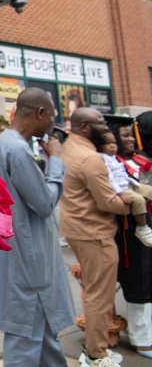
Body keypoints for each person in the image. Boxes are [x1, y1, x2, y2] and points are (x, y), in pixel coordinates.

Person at [0, 87, 74, 366]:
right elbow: (46, 203)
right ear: (39, 113)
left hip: (21, 252)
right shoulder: (16, 149)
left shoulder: (2, 144)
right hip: (30, 259)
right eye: (52, 116)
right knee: (27, 337)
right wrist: (56, 160)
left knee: (43, 334)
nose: (53, 123)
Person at [60, 108, 130, 367]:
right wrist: (135, 203)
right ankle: (96, 354)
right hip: (95, 233)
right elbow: (109, 202)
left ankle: (95, 350)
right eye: (101, 122)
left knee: (93, 292)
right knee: (100, 296)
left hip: (79, 229)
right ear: (86, 127)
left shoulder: (70, 147)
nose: (106, 126)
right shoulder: (90, 158)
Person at [109, 114, 152, 359]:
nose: (130, 140)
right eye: (124, 135)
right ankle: (142, 338)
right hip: (129, 233)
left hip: (147, 223)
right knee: (139, 281)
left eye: (130, 134)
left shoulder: (140, 160)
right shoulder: (111, 164)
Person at [99, 131, 152, 246]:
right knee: (139, 200)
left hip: (129, 185)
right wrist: (120, 193)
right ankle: (142, 228)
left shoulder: (117, 157)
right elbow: (111, 179)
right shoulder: (102, 159)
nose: (113, 145)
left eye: (114, 142)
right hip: (121, 191)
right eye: (125, 136)